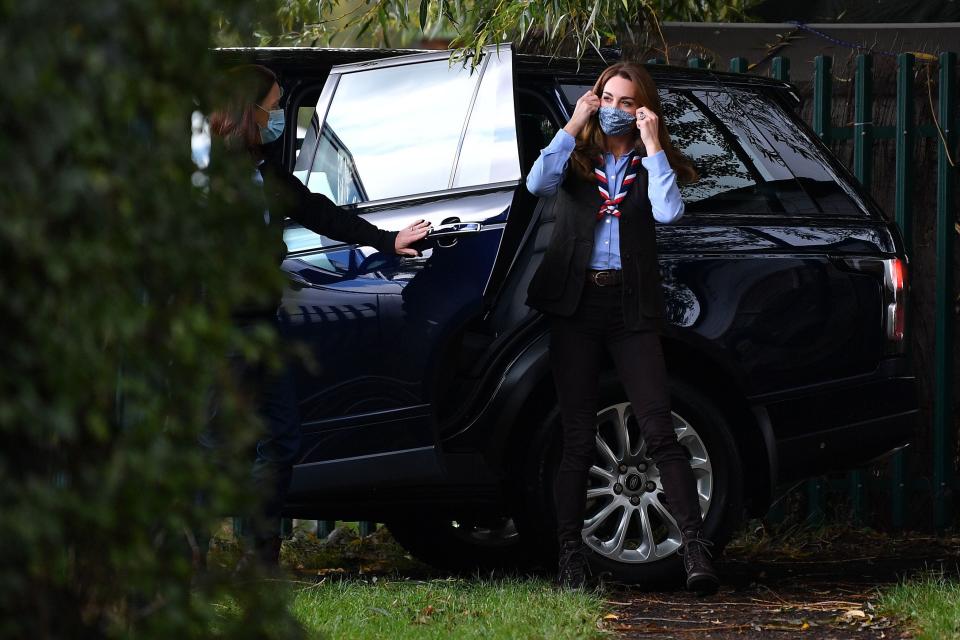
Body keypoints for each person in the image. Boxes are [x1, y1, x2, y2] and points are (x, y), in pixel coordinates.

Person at [206, 64, 430, 567]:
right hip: (225, 330)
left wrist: (386, 240)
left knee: (281, 438)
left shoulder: (262, 172)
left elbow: (319, 211)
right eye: (275, 105)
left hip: (263, 326)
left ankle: (259, 555)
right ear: (251, 110)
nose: (281, 116)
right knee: (215, 444)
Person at [525, 62, 718, 594]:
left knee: (659, 424)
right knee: (577, 434)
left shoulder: (648, 161)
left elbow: (669, 214)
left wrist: (654, 143)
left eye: (626, 102)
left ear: (641, 109)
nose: (614, 107)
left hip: (630, 307)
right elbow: (536, 183)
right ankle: (570, 558)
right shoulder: (575, 156)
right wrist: (573, 123)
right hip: (577, 305)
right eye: (607, 97)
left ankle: (694, 551)